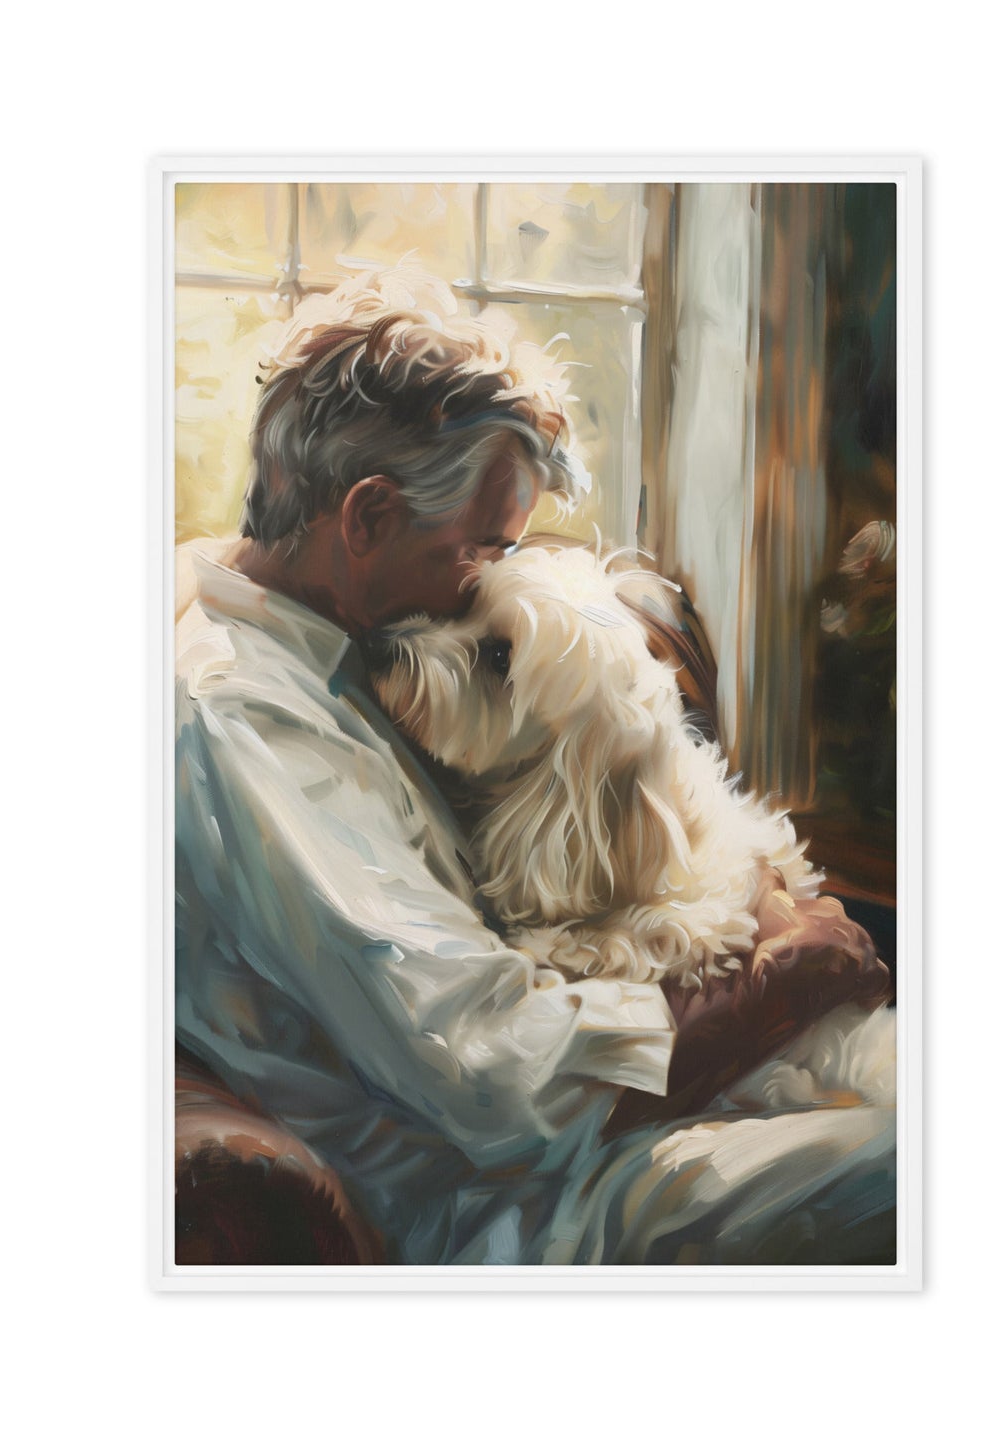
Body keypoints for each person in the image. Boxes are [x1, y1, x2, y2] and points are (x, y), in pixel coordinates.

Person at [175, 267, 897, 1265]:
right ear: (367, 516)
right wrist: (772, 983)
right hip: (510, 1201)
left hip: (594, 1134)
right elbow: (494, 1072)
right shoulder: (243, 720)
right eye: (480, 549)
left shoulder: (331, 639)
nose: (493, 576)